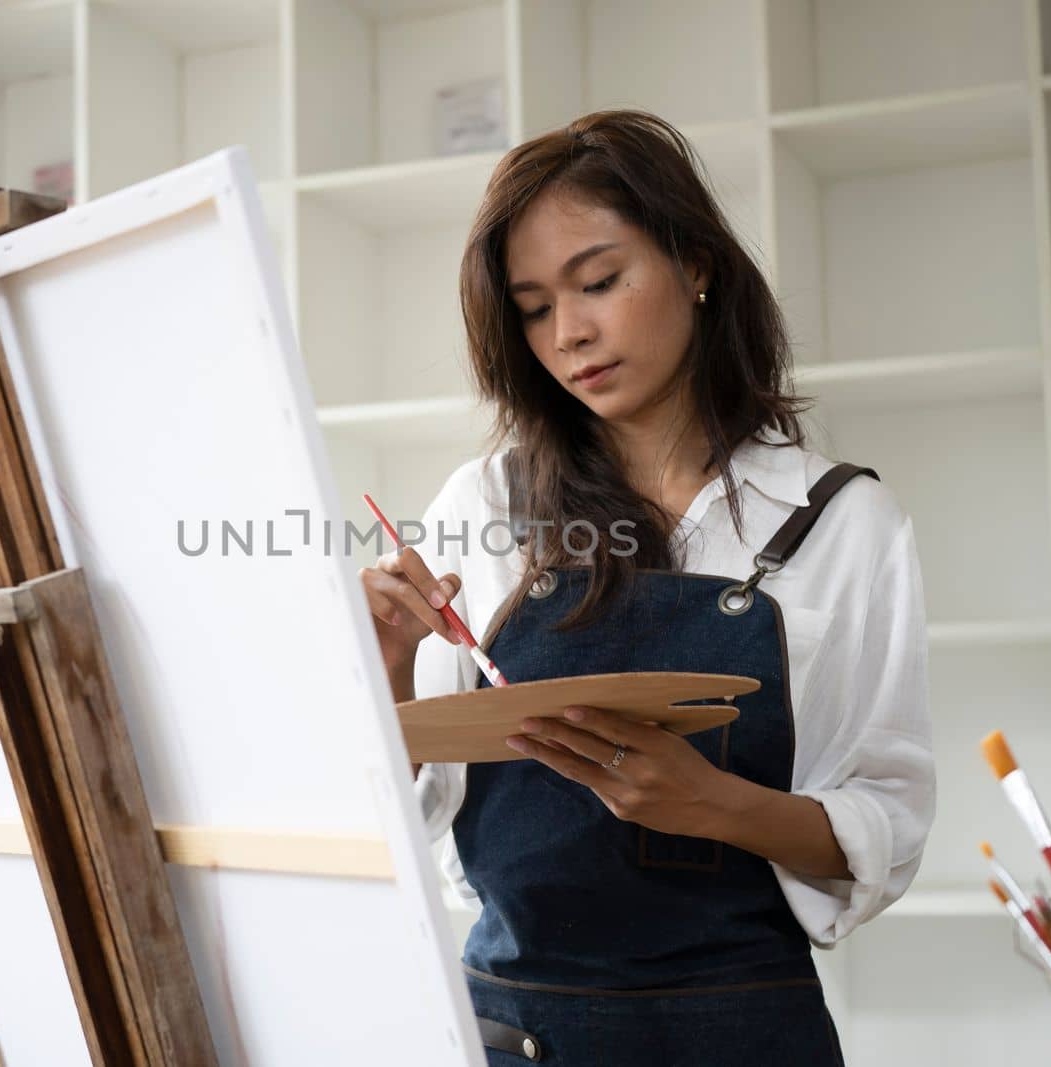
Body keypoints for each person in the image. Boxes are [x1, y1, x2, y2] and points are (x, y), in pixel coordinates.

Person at [357, 110, 935, 1065]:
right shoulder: (486, 504)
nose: (570, 332)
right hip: (510, 1031)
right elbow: (405, 808)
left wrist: (711, 803)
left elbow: (887, 821)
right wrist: (385, 670)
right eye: (535, 306)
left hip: (743, 1032)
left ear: (696, 263)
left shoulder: (841, 520)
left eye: (599, 282)